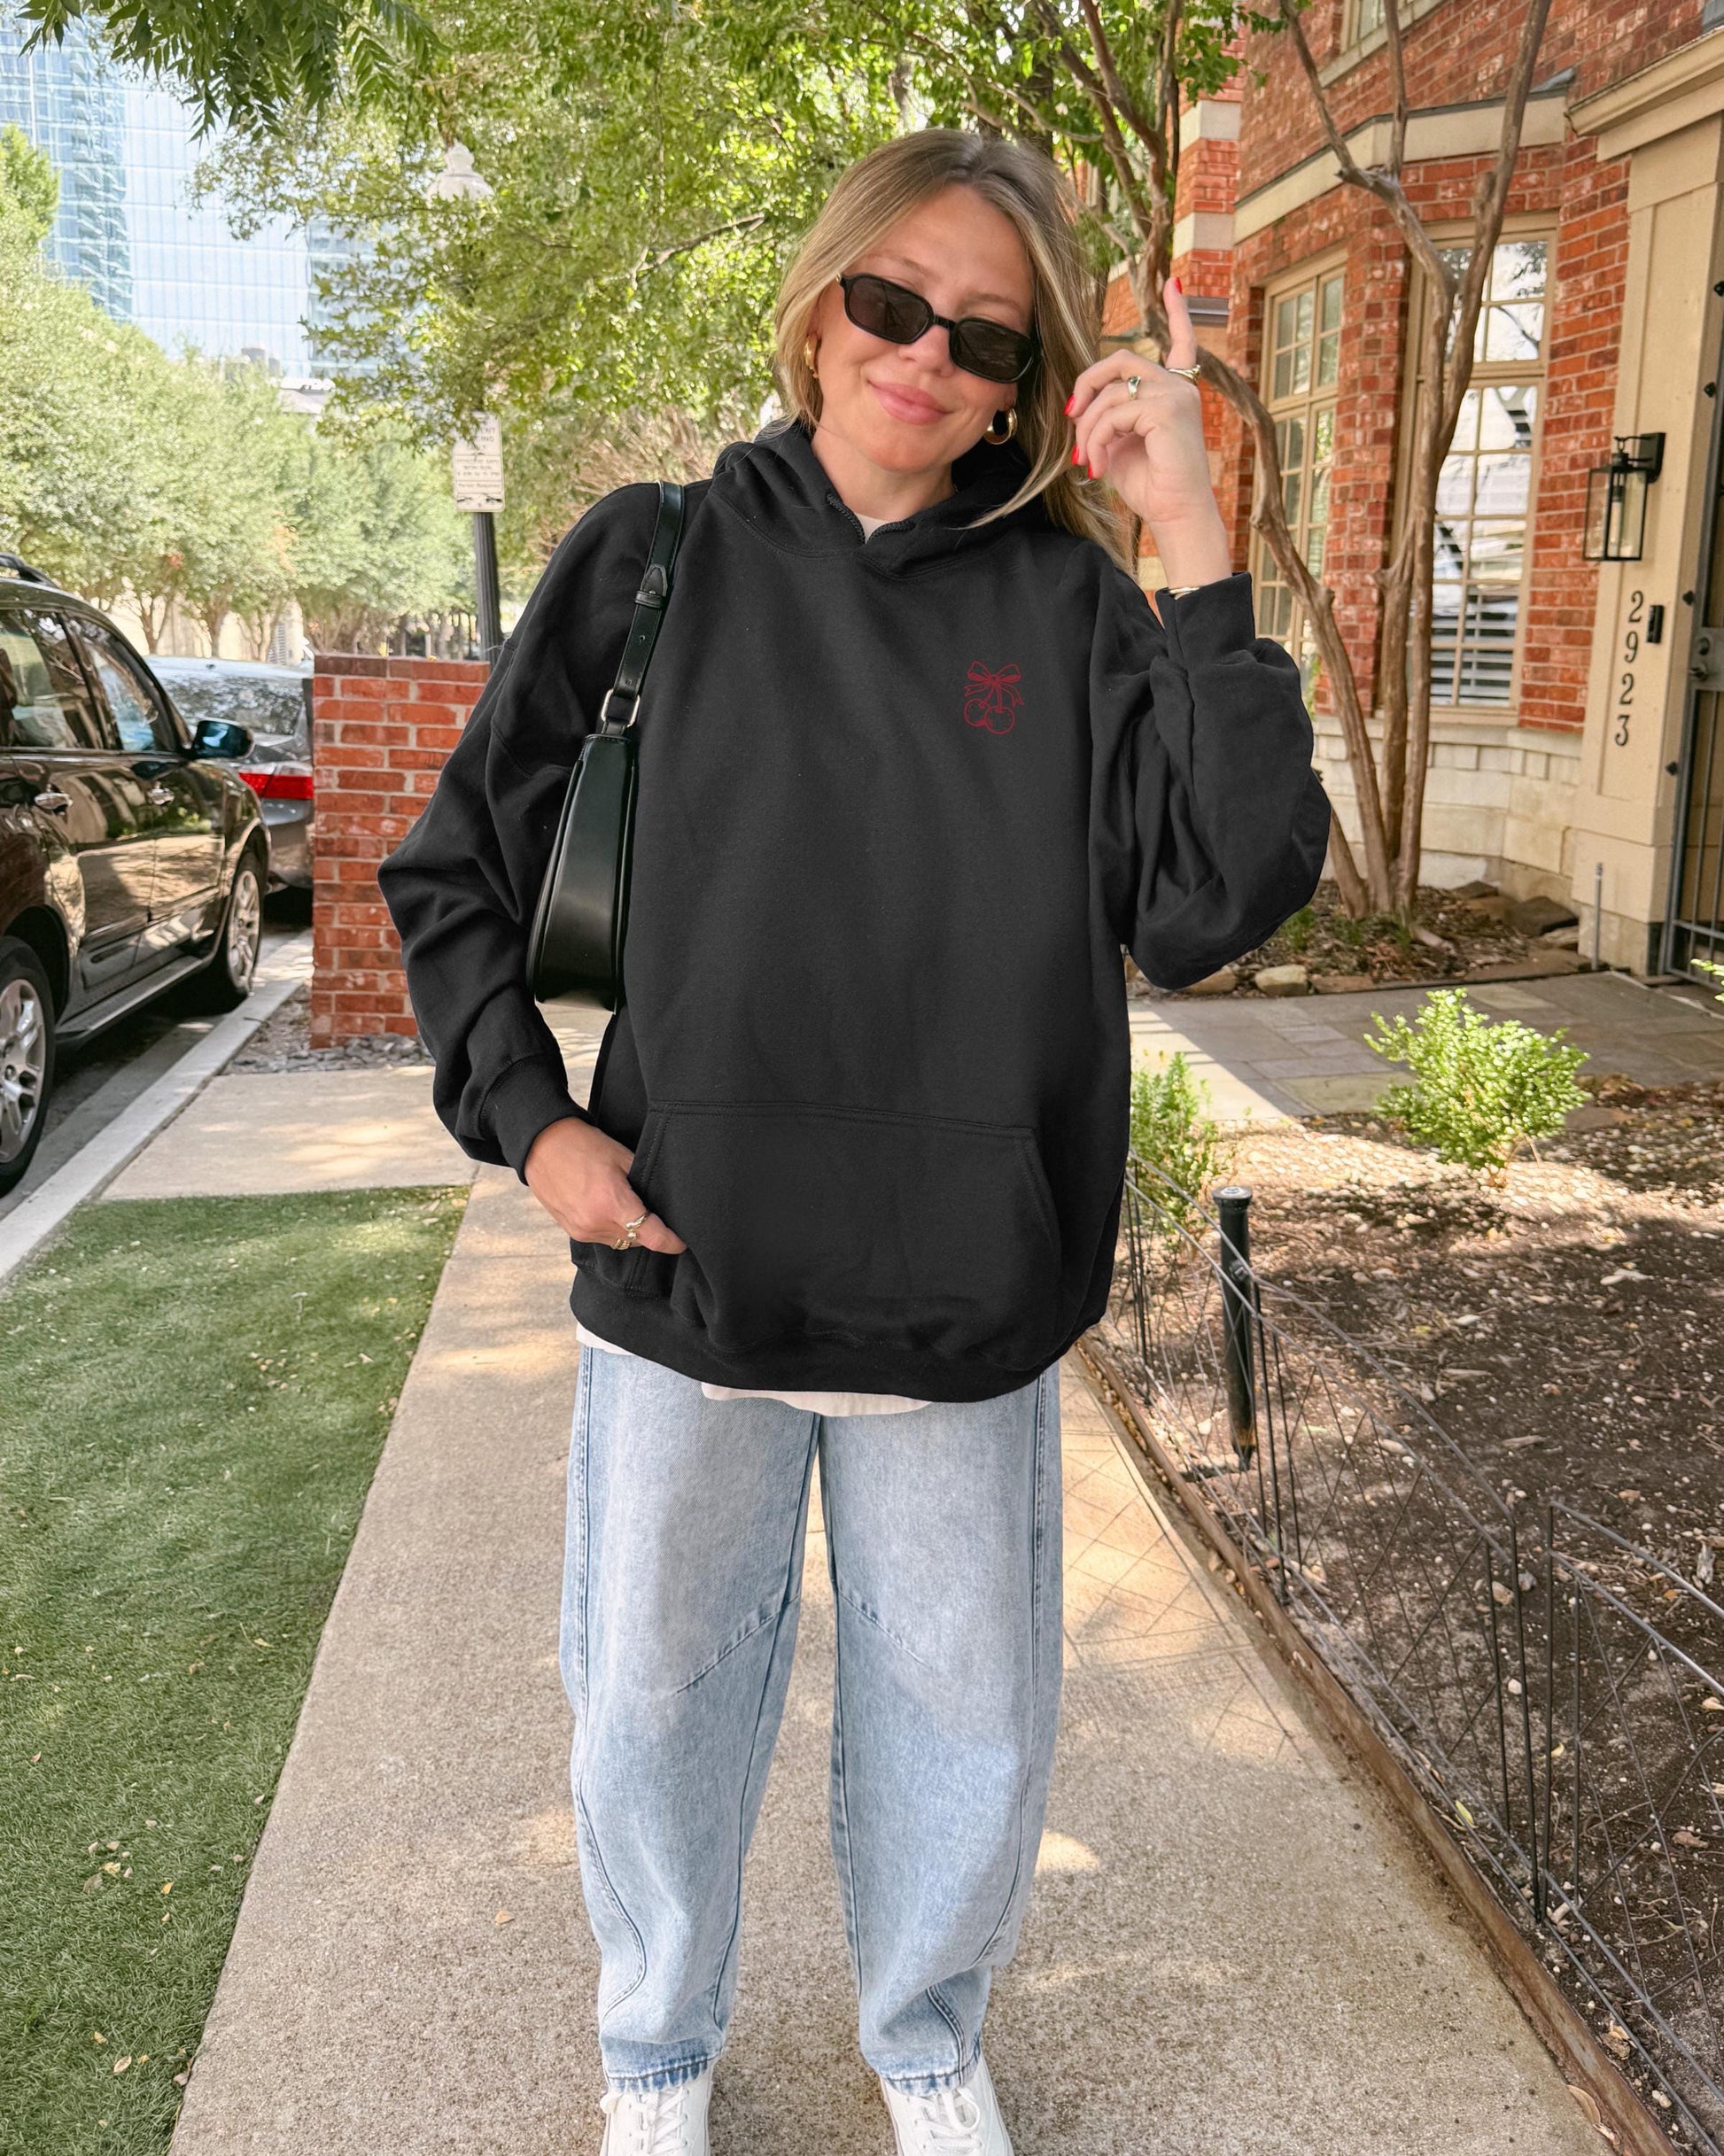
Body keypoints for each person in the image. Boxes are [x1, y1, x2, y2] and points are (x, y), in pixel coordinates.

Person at [379, 126, 1330, 2156]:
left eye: (983, 337)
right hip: (684, 1264)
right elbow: (452, 872)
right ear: (820, 307)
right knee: (652, 1700)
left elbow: (1218, 892)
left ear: (1018, 388)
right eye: (893, 302)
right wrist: (534, 1128)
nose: (925, 355)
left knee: (963, 1715)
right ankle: (657, 2053)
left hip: (960, 1291)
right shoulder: (648, 561)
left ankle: (923, 2036)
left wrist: (1193, 532)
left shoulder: (1074, 608)